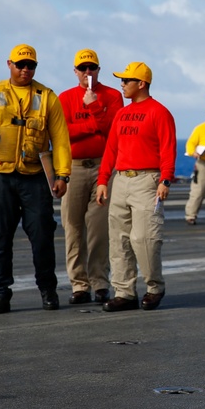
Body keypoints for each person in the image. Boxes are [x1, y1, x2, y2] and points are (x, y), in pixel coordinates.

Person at [0, 44, 71, 314]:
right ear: (9, 64)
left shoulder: (47, 97)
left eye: (30, 65)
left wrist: (63, 175)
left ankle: (48, 290)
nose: (25, 69)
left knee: (42, 236)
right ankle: (0, 294)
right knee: (0, 239)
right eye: (20, 64)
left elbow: (60, 140)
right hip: (0, 177)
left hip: (35, 178)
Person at [95, 62, 177, 312]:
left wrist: (165, 179)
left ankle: (154, 287)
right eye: (122, 80)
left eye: (126, 80)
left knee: (145, 238)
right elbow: (111, 149)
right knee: (118, 239)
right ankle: (124, 292)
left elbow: (167, 148)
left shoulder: (159, 112)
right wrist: (102, 180)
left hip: (147, 180)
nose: (122, 84)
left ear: (141, 83)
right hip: (121, 180)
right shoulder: (121, 113)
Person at [58, 48, 123, 305]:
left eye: (92, 68)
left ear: (98, 70)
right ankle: (79, 284)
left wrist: (94, 105)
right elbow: (63, 133)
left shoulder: (113, 96)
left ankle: (99, 282)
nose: (87, 73)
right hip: (72, 167)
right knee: (72, 227)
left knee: (99, 227)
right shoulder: (64, 98)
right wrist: (93, 123)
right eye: (82, 68)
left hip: (103, 167)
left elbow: (113, 129)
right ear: (75, 71)